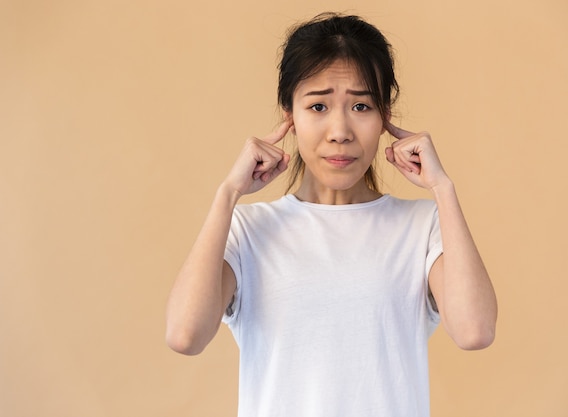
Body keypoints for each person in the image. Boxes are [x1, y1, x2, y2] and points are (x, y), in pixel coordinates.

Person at [166, 12, 497, 417]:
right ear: (289, 114)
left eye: (361, 105)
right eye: (318, 105)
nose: (340, 130)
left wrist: (444, 189)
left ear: (385, 117)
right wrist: (227, 194)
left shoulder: (421, 226)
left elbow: (474, 331)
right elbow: (185, 335)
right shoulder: (249, 230)